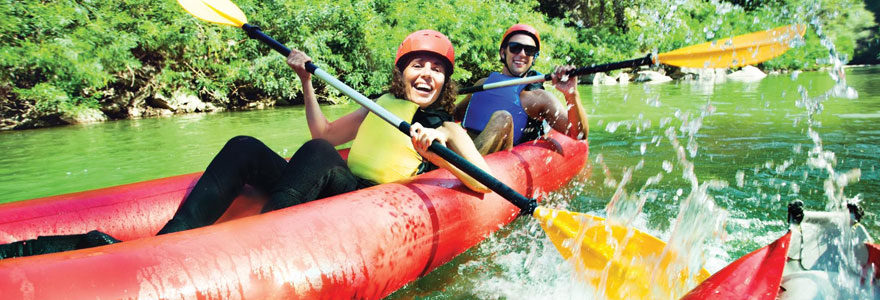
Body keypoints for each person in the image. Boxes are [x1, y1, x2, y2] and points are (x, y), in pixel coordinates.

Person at [0, 30, 491, 259]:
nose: (424, 73)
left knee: (319, 158)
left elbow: (482, 184)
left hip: (363, 201)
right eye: (416, 64)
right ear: (401, 71)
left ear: (445, 78)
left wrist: (434, 151)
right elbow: (322, 135)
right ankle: (170, 240)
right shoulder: (377, 102)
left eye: (436, 67)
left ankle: (250, 245)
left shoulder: (444, 125)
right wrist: (305, 80)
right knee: (243, 144)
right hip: (324, 186)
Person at [453, 24, 589, 155]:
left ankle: (462, 168)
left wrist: (571, 95)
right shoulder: (482, 84)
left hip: (499, 161)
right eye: (515, 47)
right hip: (467, 148)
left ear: (534, 58)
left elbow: (578, 134)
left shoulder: (539, 98)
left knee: (502, 118)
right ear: (502, 53)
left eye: (529, 50)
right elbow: (454, 115)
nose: (522, 54)